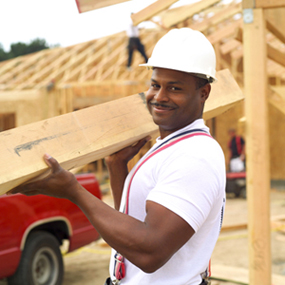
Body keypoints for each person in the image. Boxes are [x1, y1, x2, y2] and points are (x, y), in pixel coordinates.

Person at [8, 28, 226, 285]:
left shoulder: (195, 157)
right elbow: (133, 225)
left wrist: (73, 191)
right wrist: (117, 167)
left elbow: (150, 251)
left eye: (174, 88)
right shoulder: (172, 144)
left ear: (203, 93)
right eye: (155, 85)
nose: (159, 97)